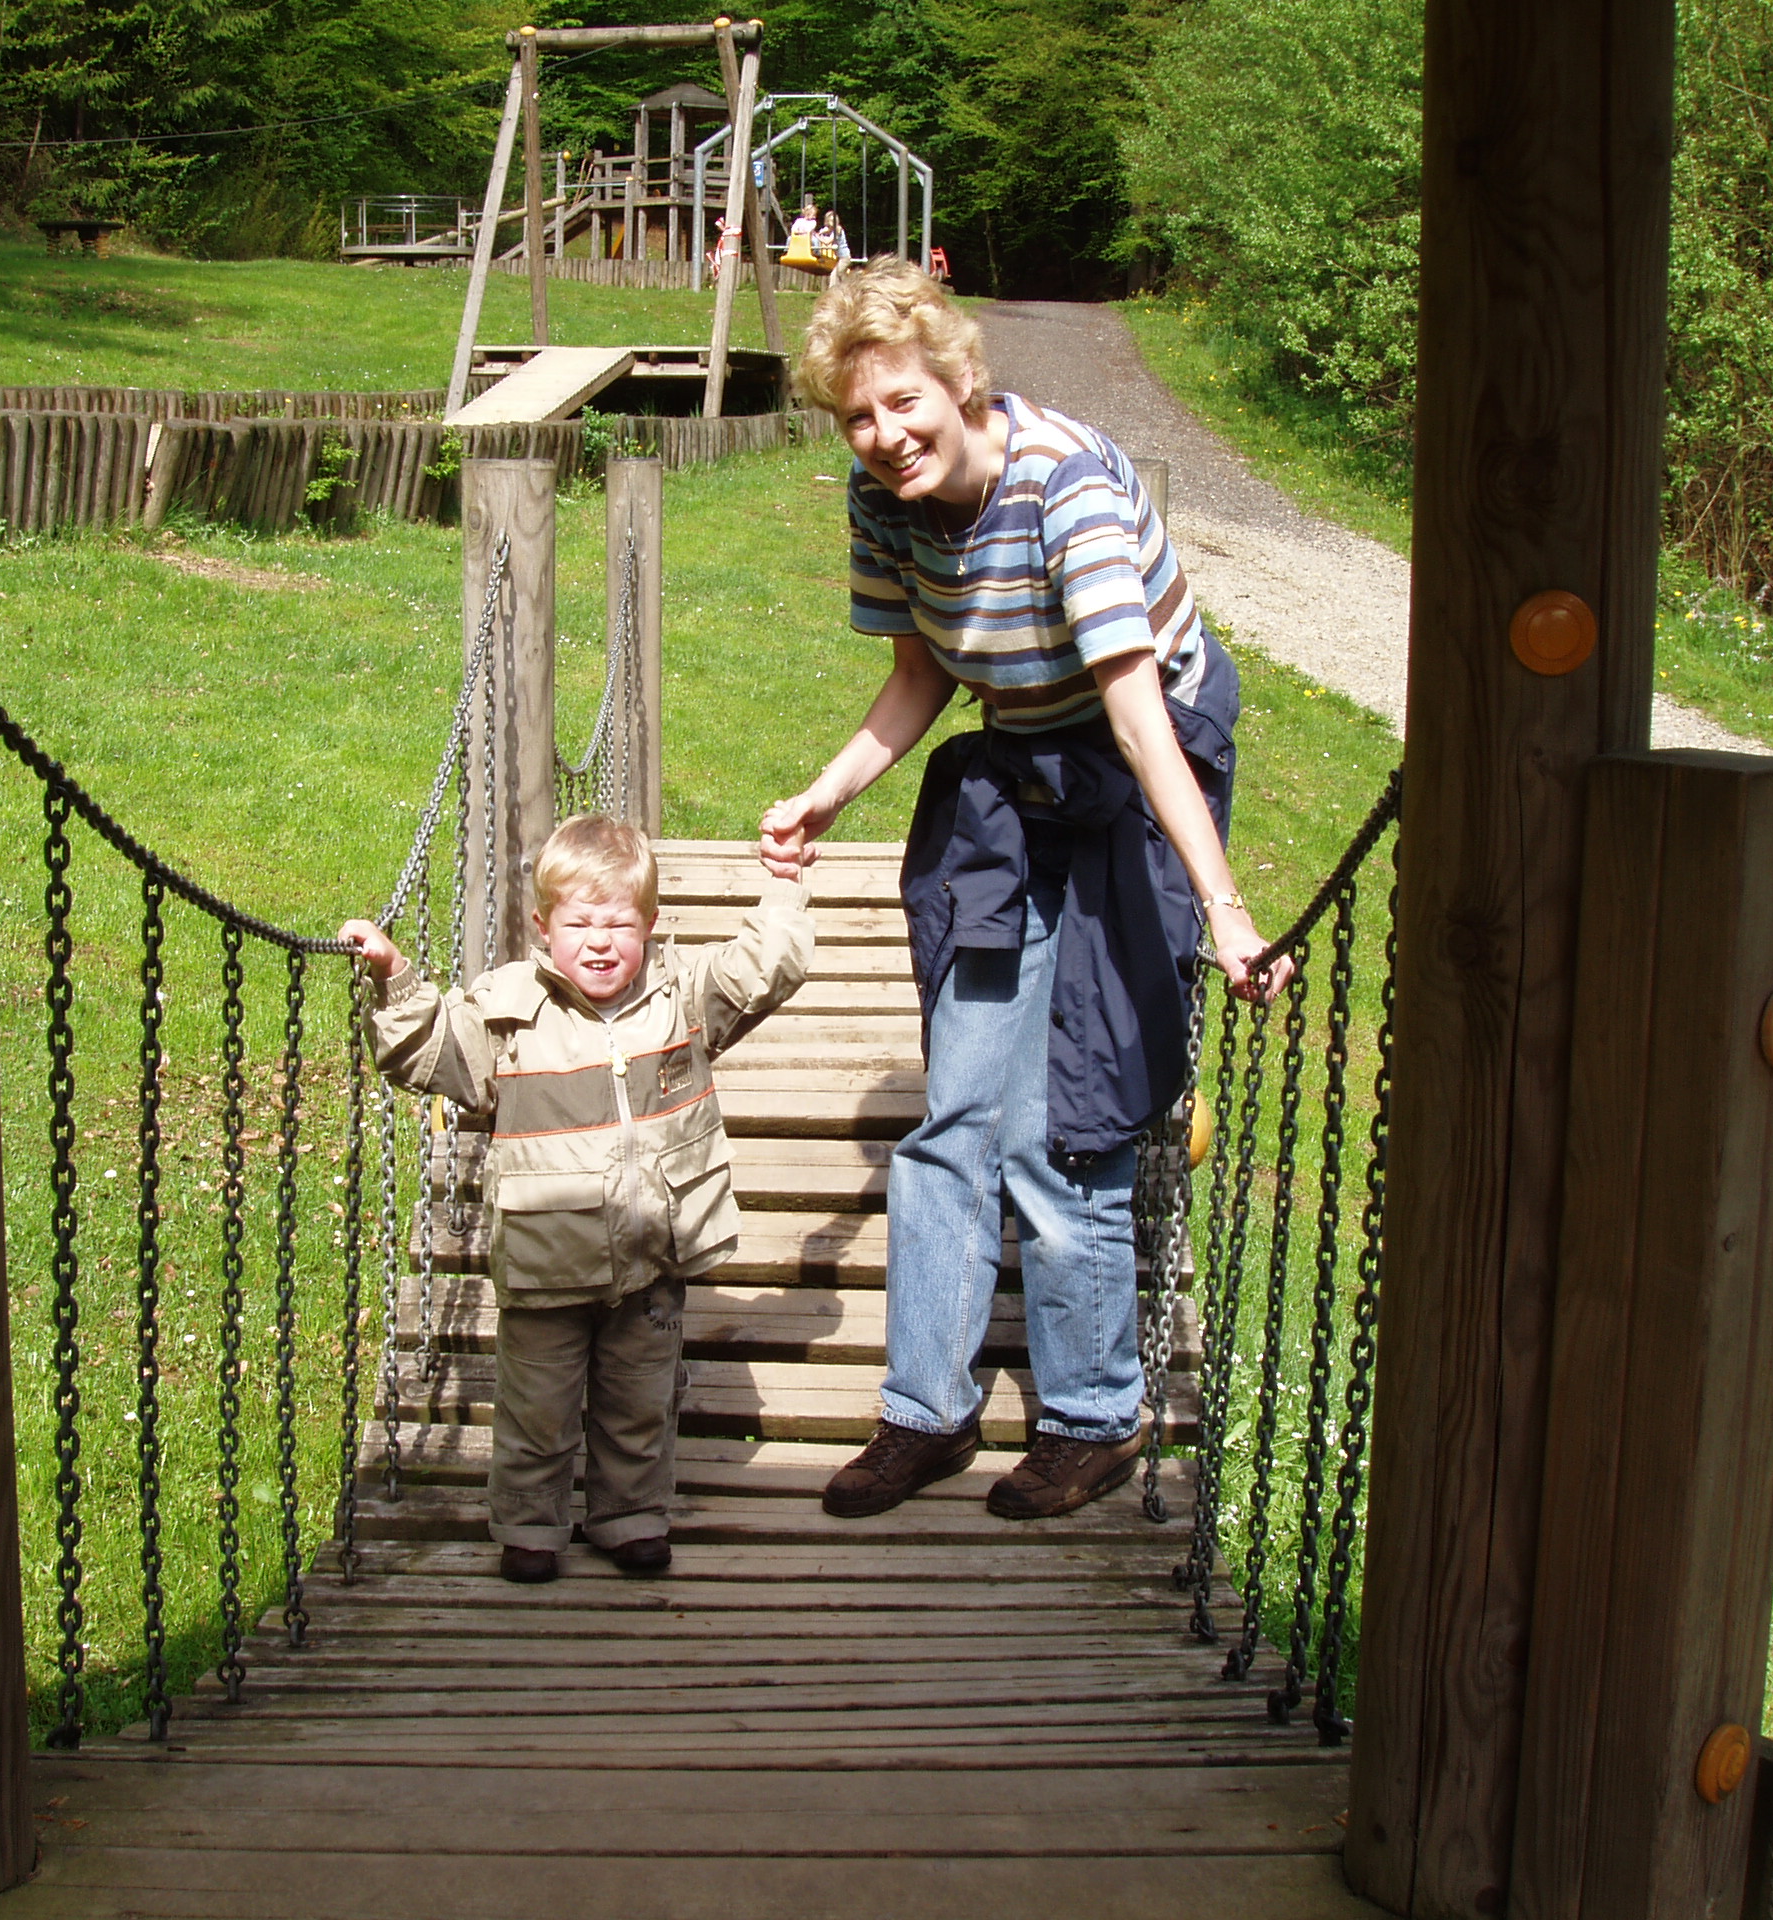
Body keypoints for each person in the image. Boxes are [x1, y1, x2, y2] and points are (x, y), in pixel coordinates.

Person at [757, 260, 1289, 1525]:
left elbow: (1139, 719)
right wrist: (827, 793)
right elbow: (922, 675)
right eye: (857, 416)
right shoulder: (884, 498)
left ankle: (1092, 1418)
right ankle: (924, 1414)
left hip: (1141, 752)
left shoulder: (1064, 487)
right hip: (1019, 761)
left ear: (959, 381)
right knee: (954, 1110)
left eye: (903, 401)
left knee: (1066, 1112)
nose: (885, 435)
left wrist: (1223, 911)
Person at [340, 816, 812, 1583]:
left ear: (650, 924)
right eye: (579, 924)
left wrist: (785, 885)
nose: (599, 943)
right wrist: (394, 977)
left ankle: (630, 1516)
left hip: (650, 1258)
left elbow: (763, 970)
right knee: (537, 1409)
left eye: (619, 924)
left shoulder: (680, 999)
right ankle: (531, 1526)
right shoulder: (507, 1016)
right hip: (546, 1266)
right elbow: (430, 1049)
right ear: (542, 927)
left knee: (641, 1402)